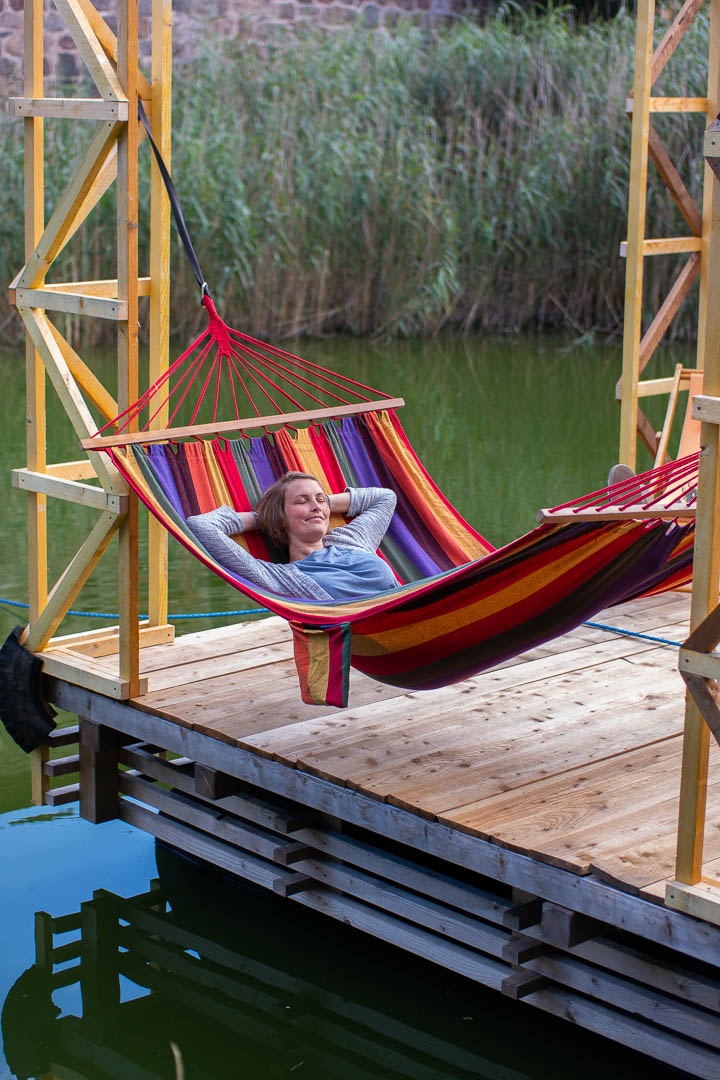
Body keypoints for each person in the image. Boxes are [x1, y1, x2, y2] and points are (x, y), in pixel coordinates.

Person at [187, 471, 398, 602]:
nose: (316, 507)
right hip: (382, 636)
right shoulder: (281, 579)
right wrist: (266, 518)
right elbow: (202, 526)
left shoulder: (351, 540)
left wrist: (322, 506)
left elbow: (385, 498)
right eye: (301, 501)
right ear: (281, 518)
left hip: (415, 609)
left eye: (320, 499)